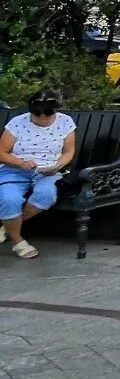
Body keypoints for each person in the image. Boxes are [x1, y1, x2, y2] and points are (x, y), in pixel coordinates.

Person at [0, 89, 76, 259]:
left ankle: (7, 226)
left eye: (46, 117)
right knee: (8, 199)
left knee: (47, 194)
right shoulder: (17, 123)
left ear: (55, 111)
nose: (41, 120)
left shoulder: (66, 122)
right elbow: (1, 152)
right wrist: (21, 163)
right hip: (15, 170)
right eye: (37, 117)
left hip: (47, 172)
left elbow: (68, 152)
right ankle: (18, 242)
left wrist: (58, 165)